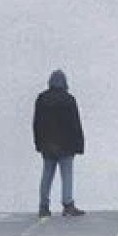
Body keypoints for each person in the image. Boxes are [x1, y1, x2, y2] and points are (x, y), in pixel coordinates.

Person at [33, 69, 86, 217]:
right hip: (66, 145)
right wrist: (79, 145)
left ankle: (43, 206)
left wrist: (38, 143)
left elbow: (37, 124)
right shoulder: (69, 99)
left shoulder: (41, 99)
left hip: (47, 145)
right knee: (67, 175)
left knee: (47, 174)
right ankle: (68, 205)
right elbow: (75, 124)